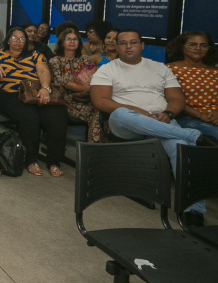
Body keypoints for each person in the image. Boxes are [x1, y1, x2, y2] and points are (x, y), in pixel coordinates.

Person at [90, 29, 218, 226]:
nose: (128, 46)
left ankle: (193, 210)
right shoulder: (107, 69)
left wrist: (167, 114)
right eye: (123, 43)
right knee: (121, 113)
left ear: (142, 45)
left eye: (133, 42)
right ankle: (192, 135)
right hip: (128, 125)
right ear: (117, 46)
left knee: (181, 147)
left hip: (163, 122)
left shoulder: (160, 68)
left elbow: (177, 99)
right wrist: (136, 110)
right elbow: (100, 100)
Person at [0, 27, 69, 177]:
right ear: (8, 40)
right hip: (10, 95)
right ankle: (31, 159)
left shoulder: (35, 55)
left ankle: (54, 160)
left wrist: (45, 88)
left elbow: (43, 71)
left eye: (22, 38)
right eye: (14, 38)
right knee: (29, 116)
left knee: (58, 114)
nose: (18, 41)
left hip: (34, 93)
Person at [49, 28, 105, 143]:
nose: (72, 42)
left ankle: (102, 146)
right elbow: (66, 84)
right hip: (66, 99)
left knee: (104, 110)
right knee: (96, 114)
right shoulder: (55, 61)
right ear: (62, 42)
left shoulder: (85, 59)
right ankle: (93, 148)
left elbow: (93, 77)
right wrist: (90, 89)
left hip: (87, 97)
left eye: (75, 39)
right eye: (68, 39)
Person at [166, 31, 218, 139]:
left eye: (203, 45)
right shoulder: (169, 69)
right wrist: (201, 116)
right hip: (186, 116)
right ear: (182, 46)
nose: (198, 48)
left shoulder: (215, 71)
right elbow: (170, 100)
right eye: (192, 44)